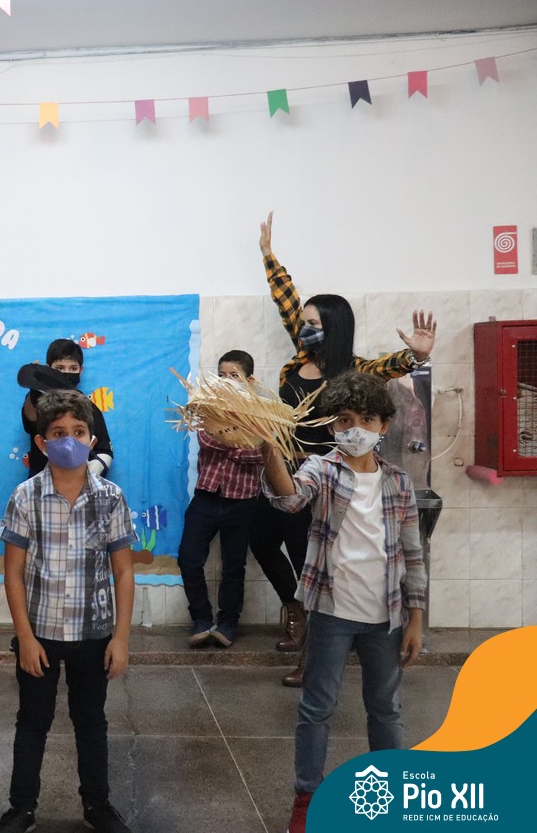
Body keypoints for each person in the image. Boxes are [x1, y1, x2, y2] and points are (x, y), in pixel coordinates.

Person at [249, 211, 435, 686]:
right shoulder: (297, 361)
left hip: (326, 479)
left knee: (313, 563)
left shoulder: (353, 369)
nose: (305, 328)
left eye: (313, 323)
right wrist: (269, 256)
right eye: (304, 323)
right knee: (262, 540)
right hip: (286, 472)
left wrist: (416, 354)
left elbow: (391, 366)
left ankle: (310, 656)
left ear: (332, 327)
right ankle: (294, 610)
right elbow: (287, 303)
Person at [261, 372, 425, 833]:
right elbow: (290, 499)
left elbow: (413, 554)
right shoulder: (323, 470)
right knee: (317, 707)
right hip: (331, 612)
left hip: (386, 617)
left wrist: (416, 619)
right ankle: (307, 799)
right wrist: (268, 448)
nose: (356, 429)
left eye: (366, 420)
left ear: (383, 426)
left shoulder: (398, 482)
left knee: (385, 708)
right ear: (332, 426)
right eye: (345, 420)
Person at [0, 390, 136, 833]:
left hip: (94, 634)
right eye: (58, 433)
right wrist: (25, 638)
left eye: (78, 431)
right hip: (40, 633)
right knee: (32, 722)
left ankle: (97, 805)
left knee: (91, 721)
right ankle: (21, 808)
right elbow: (13, 573)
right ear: (42, 443)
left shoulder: (110, 497)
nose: (69, 440)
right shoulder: (25, 497)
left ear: (92, 439)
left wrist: (121, 639)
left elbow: (123, 572)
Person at [176, 350, 264, 649]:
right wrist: (240, 442)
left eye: (233, 376)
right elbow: (207, 439)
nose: (226, 381)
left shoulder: (260, 412)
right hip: (207, 495)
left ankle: (228, 623)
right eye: (222, 375)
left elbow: (259, 454)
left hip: (243, 499)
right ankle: (201, 619)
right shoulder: (207, 407)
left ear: (249, 380)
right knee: (188, 558)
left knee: (234, 566)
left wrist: (234, 443)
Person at [20, 338, 113, 477]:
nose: (66, 373)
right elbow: (31, 418)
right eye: (59, 368)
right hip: (41, 477)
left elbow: (104, 450)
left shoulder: (88, 406)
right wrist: (35, 386)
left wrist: (86, 475)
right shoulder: (36, 399)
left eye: (73, 368)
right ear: (48, 368)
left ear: (80, 371)